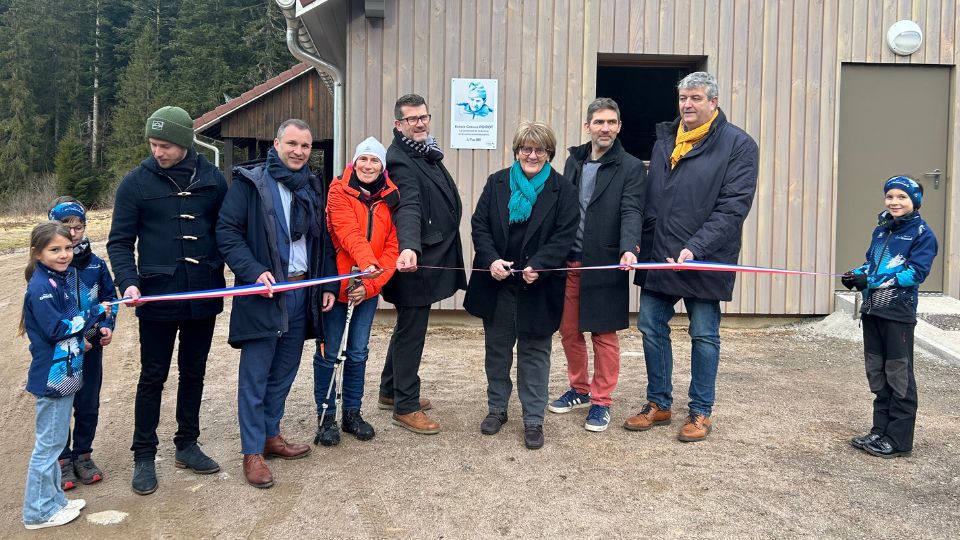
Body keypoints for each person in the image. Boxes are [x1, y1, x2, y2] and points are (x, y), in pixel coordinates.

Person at [626, 72, 758, 442]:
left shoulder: (738, 145)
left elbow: (733, 207)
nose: (687, 104)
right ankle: (659, 403)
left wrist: (696, 247)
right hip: (661, 253)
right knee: (650, 326)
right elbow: (652, 197)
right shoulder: (666, 140)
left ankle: (700, 411)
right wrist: (639, 242)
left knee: (703, 333)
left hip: (705, 257)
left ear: (713, 102)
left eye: (696, 98)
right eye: (683, 98)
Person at [107, 106, 228, 495]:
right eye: (153, 144)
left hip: (203, 292)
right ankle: (144, 455)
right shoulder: (135, 183)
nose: (157, 152)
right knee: (152, 375)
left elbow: (227, 232)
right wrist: (128, 283)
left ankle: (187, 444)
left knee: (194, 372)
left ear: (185, 143)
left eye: (165, 145)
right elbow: (120, 242)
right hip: (156, 296)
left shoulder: (212, 179)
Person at [217, 118, 338, 488]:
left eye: (305, 146)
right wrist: (253, 271)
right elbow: (227, 232)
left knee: (285, 370)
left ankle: (271, 435)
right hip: (264, 294)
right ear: (276, 144)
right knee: (255, 375)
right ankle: (252, 451)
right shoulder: (250, 183)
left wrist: (327, 282)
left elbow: (321, 239)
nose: (299, 151)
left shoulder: (312, 186)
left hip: (302, 292)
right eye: (292, 144)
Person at [463, 121, 578, 449]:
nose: (532, 155)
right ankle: (497, 409)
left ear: (549, 153)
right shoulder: (497, 182)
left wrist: (540, 265)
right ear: (517, 151)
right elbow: (480, 225)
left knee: (535, 354)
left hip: (539, 286)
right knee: (497, 351)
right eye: (526, 149)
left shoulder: (563, 190)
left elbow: (565, 235)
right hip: (498, 284)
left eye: (540, 150)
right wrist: (491, 260)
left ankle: (533, 419)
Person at [548, 97, 646, 432]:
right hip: (569, 262)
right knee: (569, 331)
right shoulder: (574, 161)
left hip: (605, 262)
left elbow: (632, 210)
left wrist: (629, 248)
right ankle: (579, 389)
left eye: (611, 122)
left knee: (603, 334)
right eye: (599, 122)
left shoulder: (631, 167)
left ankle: (602, 401)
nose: (605, 128)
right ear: (587, 126)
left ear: (619, 127)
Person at [379, 94, 467, 435]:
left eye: (423, 117)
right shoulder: (400, 159)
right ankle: (405, 405)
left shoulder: (423, 152)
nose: (419, 123)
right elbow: (408, 205)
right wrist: (409, 248)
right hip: (416, 259)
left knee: (407, 326)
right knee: (412, 332)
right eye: (412, 119)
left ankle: (390, 389)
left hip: (428, 254)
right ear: (398, 124)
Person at [20, 221, 110, 529]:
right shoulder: (41, 286)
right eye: (54, 250)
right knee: (48, 448)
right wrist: (94, 312)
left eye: (67, 248)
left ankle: (55, 501)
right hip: (52, 377)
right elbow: (57, 328)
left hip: (67, 372)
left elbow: (71, 322)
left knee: (57, 440)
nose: (64, 254)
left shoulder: (58, 279)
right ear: (37, 253)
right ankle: (37, 512)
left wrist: (91, 329)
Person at [841, 175, 938, 458]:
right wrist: (856, 274)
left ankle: (898, 439)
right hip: (873, 310)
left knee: (898, 375)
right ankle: (879, 430)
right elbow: (871, 264)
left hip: (898, 314)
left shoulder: (922, 234)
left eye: (902, 197)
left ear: (915, 200)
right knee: (877, 372)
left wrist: (871, 281)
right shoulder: (881, 230)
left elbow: (914, 274)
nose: (894, 202)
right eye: (890, 196)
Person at [314, 137, 399, 446]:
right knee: (330, 353)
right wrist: (367, 265)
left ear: (382, 166)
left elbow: (392, 248)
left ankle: (352, 413)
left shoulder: (391, 198)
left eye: (375, 160)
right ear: (354, 162)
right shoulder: (338, 190)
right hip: (337, 287)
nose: (368, 165)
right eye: (363, 159)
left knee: (358, 352)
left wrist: (370, 283)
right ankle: (326, 417)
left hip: (366, 290)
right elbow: (347, 232)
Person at [47, 198, 117, 489]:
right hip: (59, 352)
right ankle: (62, 460)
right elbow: (46, 314)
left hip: (91, 347)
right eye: (67, 226)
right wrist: (73, 340)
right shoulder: (47, 269)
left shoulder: (97, 264)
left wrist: (106, 326)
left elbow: (110, 299)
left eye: (79, 226)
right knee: (61, 404)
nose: (73, 233)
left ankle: (83, 456)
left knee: (88, 403)